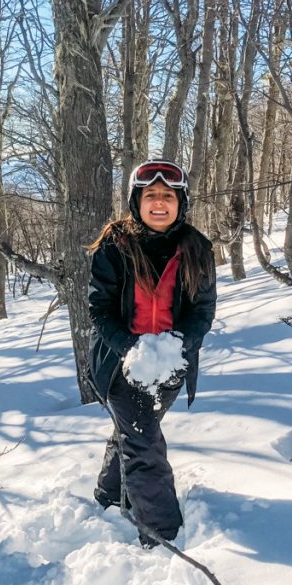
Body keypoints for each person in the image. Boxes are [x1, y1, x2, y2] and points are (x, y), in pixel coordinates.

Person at [86, 159, 217, 548]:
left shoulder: (197, 248)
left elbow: (203, 311)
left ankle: (108, 494)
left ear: (181, 202)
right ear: (136, 201)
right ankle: (162, 532)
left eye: (167, 196)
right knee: (144, 442)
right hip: (120, 364)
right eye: (150, 196)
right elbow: (100, 308)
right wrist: (132, 349)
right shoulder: (114, 245)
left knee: (133, 430)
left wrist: (177, 346)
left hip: (172, 364)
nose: (159, 203)